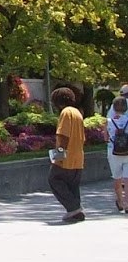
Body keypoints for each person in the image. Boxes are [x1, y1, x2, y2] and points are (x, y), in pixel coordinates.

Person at [48, 87, 86, 223]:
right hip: (78, 158)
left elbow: (63, 136)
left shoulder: (65, 113)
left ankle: (74, 208)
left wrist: (57, 157)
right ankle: (76, 213)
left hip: (66, 158)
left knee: (54, 180)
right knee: (72, 185)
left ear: (58, 101)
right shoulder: (77, 112)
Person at [107, 95, 128, 212]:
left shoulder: (109, 121)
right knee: (127, 179)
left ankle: (120, 202)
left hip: (113, 152)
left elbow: (105, 136)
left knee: (117, 178)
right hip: (127, 152)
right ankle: (127, 203)